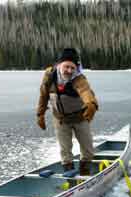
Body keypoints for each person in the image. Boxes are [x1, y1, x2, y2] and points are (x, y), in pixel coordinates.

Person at [36, 48, 99, 176]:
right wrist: (40, 114)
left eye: (73, 67)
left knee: (88, 151)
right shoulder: (50, 76)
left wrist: (91, 104)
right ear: (59, 64)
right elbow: (43, 95)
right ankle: (70, 179)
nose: (70, 71)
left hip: (80, 118)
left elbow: (86, 92)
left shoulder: (79, 79)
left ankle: (85, 174)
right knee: (65, 151)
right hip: (61, 119)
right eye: (67, 67)